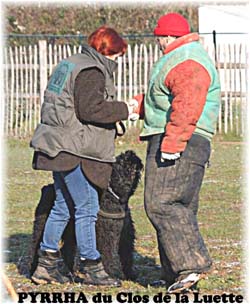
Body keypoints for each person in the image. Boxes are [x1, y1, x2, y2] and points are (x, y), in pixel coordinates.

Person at [30, 26, 135, 286]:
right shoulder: (91, 71)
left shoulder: (69, 64)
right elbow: (90, 110)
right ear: (107, 51)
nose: (117, 61)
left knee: (63, 206)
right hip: (74, 149)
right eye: (117, 56)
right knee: (87, 208)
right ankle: (91, 265)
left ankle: (47, 264)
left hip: (57, 144)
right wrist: (126, 109)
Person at [129, 13, 221, 293]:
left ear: (167, 36)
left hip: (181, 138)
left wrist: (172, 144)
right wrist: (138, 105)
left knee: (162, 203)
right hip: (182, 136)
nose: (157, 41)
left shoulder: (187, 59)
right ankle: (175, 274)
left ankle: (191, 266)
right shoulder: (181, 56)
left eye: (159, 36)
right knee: (181, 206)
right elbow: (166, 96)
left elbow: (187, 103)